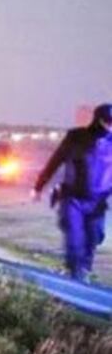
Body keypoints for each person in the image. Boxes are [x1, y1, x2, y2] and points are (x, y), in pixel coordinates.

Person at [33, 104, 112, 281]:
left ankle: (83, 276)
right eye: (109, 121)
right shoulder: (76, 137)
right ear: (99, 120)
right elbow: (55, 161)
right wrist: (39, 187)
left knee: (93, 240)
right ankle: (74, 279)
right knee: (75, 243)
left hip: (98, 203)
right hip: (73, 199)